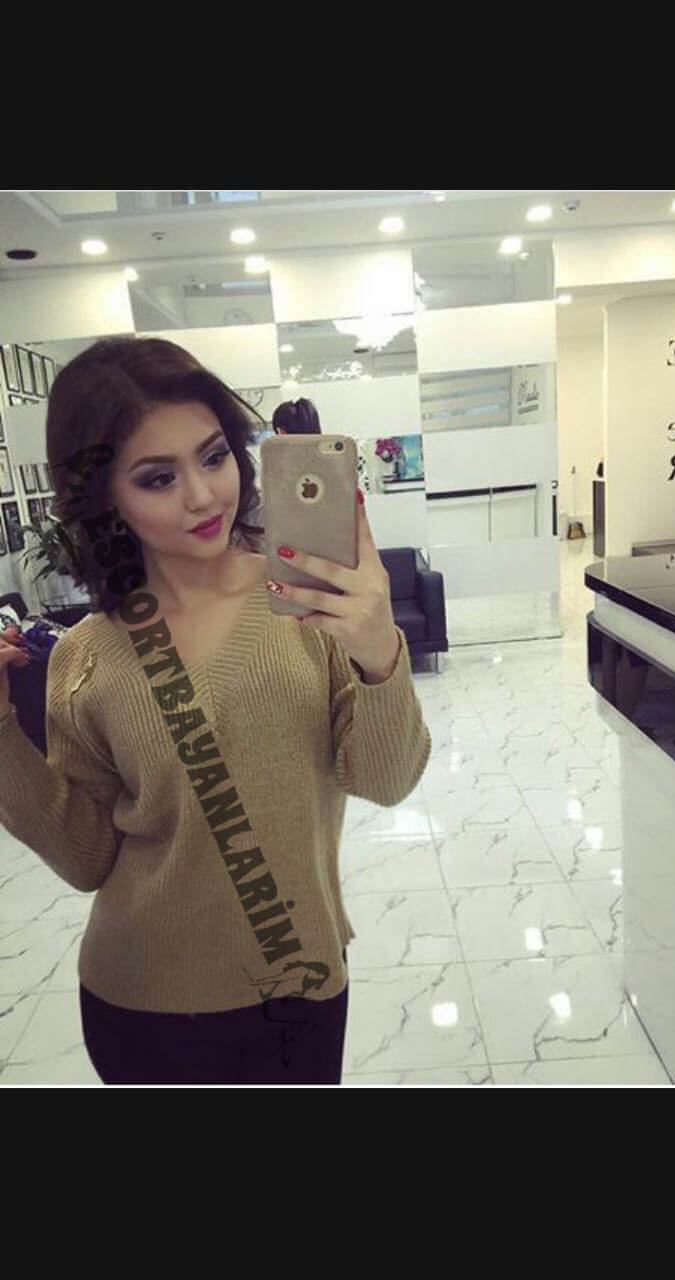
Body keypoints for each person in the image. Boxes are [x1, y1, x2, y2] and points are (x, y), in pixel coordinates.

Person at [0, 336, 431, 1086]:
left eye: (213, 456)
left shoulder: (306, 603)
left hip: (299, 984)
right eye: (158, 477)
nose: (203, 496)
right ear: (103, 496)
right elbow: (86, 857)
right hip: (141, 1003)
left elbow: (386, 781)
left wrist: (376, 649)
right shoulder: (88, 656)